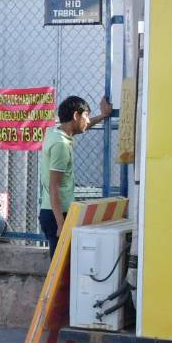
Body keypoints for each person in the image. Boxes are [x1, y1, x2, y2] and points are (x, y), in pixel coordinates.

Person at [40, 93, 116, 250]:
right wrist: (61, 225)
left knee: (65, 266)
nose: (88, 120)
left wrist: (103, 116)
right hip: (58, 215)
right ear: (76, 115)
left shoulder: (55, 132)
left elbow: (83, 126)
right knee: (61, 269)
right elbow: (54, 186)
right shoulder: (60, 145)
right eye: (86, 116)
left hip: (54, 212)